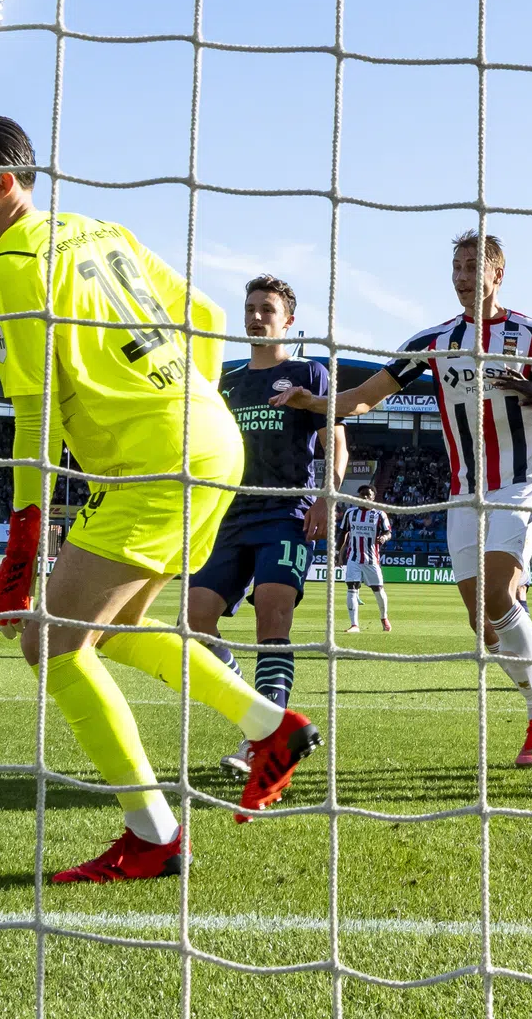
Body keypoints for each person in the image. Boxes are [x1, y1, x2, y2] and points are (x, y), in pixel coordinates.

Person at [0, 115, 320, 886]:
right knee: (114, 632)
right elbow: (208, 318)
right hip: (210, 441)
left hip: (156, 458)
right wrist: (188, 402)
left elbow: (35, 414)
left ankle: (155, 835)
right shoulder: (98, 229)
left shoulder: (10, 272)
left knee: (49, 642)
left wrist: (23, 544)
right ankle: (269, 726)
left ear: (4, 183)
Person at [272, 230, 532, 770]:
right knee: (482, 627)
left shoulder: (531, 333)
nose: (463, 277)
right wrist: (312, 401)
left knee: (497, 592)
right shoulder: (432, 342)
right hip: (464, 491)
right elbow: (367, 398)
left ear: (496, 274)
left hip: (523, 479)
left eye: (472, 267)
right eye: (457, 268)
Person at [185, 275, 345, 779]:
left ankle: (263, 741)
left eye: (268, 309)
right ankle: (261, 717)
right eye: (250, 307)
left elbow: (335, 438)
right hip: (228, 517)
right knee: (192, 624)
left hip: (286, 512)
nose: (256, 316)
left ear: (288, 320)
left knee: (272, 613)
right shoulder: (225, 381)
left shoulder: (309, 373)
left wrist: (325, 496)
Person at [338, 484, 392, 634]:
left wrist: (384, 537)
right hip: (353, 558)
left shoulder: (380, 514)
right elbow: (343, 533)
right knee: (351, 588)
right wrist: (338, 553)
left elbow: (388, 532)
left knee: (378, 590)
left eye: (368, 495)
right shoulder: (350, 513)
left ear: (373, 497)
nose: (365, 497)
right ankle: (354, 624)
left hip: (371, 559)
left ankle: (384, 617)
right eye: (362, 495)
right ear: (358, 497)